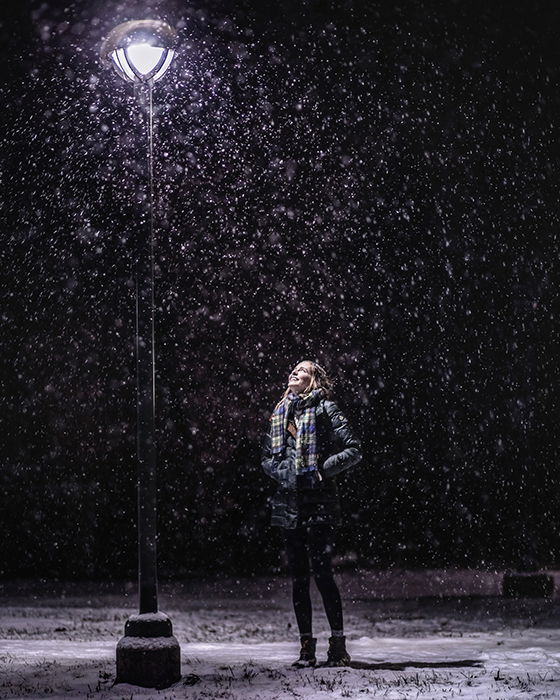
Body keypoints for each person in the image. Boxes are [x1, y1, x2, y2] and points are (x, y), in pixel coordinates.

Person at [261, 360, 362, 668]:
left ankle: (338, 646)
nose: (294, 371)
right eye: (292, 368)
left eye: (302, 369)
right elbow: (267, 457)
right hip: (289, 504)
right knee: (298, 578)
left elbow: (353, 449)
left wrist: (319, 470)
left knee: (322, 573)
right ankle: (306, 648)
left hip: (318, 504)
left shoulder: (326, 408)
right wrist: (286, 473)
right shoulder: (281, 412)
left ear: (314, 379)